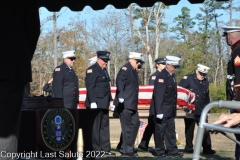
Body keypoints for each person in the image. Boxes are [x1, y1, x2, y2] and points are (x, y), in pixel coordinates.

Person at [179, 64, 215, 154]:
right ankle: (188, 148)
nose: (202, 76)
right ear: (196, 71)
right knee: (189, 129)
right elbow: (180, 91)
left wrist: (208, 110)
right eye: (201, 73)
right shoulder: (188, 78)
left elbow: (206, 96)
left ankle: (207, 148)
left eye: (204, 74)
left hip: (201, 109)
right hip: (190, 108)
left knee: (205, 129)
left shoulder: (206, 82)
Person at [85, 51, 116, 157]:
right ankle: (95, 149)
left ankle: (105, 148)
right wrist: (93, 101)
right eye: (104, 60)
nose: (106, 63)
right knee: (95, 127)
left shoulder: (104, 71)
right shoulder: (92, 70)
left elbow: (107, 87)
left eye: (107, 61)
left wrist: (111, 100)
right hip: (96, 103)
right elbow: (90, 87)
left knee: (104, 126)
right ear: (98, 59)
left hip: (104, 102)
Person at [113, 52, 144, 157]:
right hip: (125, 103)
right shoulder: (125, 69)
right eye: (137, 61)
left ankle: (126, 146)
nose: (138, 64)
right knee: (127, 127)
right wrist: (120, 96)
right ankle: (127, 150)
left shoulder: (133, 71)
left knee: (135, 124)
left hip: (132, 104)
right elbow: (119, 82)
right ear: (132, 59)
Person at [152, 56, 183, 158]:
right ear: (168, 65)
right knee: (160, 131)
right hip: (163, 109)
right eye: (174, 66)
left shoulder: (171, 76)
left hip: (170, 109)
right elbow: (159, 95)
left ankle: (172, 150)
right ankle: (159, 150)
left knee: (170, 131)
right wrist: (159, 111)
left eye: (176, 66)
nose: (175, 69)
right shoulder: (162, 76)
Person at [138, 57, 166, 152]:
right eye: (163, 64)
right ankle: (155, 146)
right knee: (155, 126)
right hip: (155, 105)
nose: (164, 65)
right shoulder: (155, 76)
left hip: (159, 105)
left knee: (151, 126)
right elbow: (151, 91)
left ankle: (143, 145)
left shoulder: (164, 75)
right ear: (157, 65)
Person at [221, 25, 240, 160]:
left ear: (230, 36)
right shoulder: (235, 49)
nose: (227, 39)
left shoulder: (238, 50)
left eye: (227, 36)